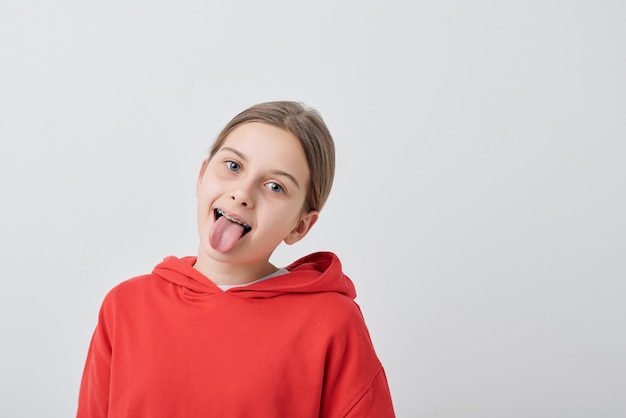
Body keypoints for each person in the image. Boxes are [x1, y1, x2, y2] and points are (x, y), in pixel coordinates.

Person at [77, 101, 395, 417]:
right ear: (202, 176)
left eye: (275, 186)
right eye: (233, 166)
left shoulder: (333, 325)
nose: (242, 193)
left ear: (300, 226)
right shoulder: (125, 306)